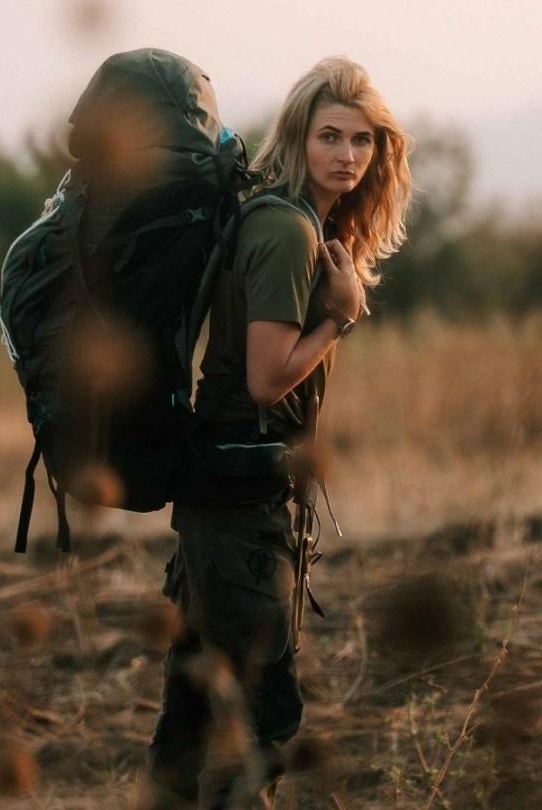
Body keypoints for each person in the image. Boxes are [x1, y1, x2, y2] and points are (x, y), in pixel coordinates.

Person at [145, 56, 413, 808]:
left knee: (191, 722)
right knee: (261, 725)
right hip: (237, 516)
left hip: (221, 503)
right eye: (330, 136)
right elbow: (267, 379)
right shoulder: (286, 232)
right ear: (297, 138)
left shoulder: (286, 222)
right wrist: (340, 317)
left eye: (362, 141)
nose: (348, 157)